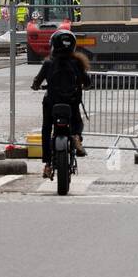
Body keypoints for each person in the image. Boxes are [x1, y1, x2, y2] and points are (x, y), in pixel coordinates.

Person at [31, 29, 91, 179]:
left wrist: (36, 85)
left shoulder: (49, 63)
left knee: (46, 129)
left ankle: (47, 165)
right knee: (77, 122)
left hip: (52, 104)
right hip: (71, 103)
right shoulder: (77, 62)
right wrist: (84, 84)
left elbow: (37, 81)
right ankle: (76, 137)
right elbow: (88, 82)